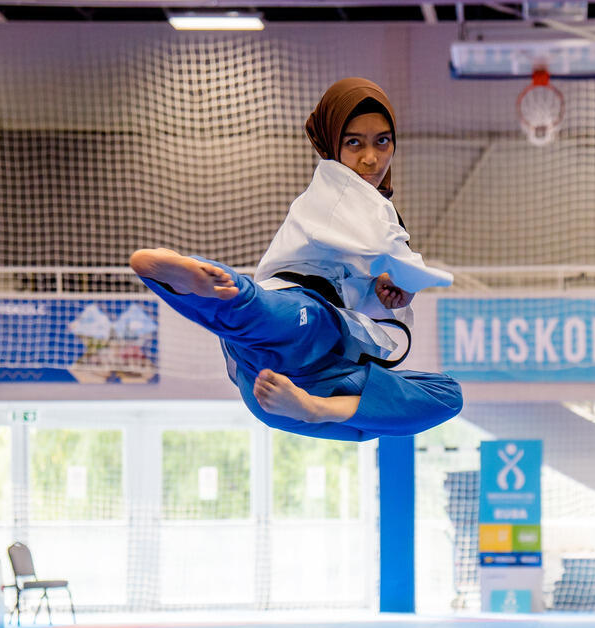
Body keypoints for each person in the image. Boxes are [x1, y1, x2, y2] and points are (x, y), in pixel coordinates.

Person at [130, 78, 461, 441]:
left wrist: (391, 290)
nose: (371, 157)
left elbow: (379, 286)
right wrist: (407, 275)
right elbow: (384, 244)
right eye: (354, 143)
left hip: (294, 386)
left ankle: (310, 402)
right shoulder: (336, 188)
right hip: (299, 327)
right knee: (269, 313)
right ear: (331, 143)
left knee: (447, 397)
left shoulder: (379, 213)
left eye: (382, 141)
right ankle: (208, 284)